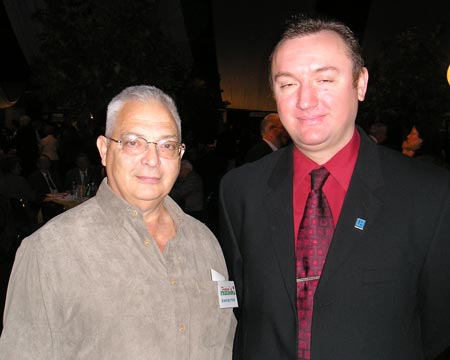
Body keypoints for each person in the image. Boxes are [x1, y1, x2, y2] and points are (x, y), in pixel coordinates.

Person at [219, 14, 450, 360]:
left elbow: (437, 329)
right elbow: (242, 308)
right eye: (288, 84)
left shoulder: (430, 196)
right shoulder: (239, 191)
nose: (306, 101)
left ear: (361, 83)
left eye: (325, 79)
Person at [0, 85, 236, 359]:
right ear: (103, 150)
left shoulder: (205, 243)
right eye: (133, 142)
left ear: (180, 156)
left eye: (167, 145)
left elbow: (225, 340)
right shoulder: (48, 252)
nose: (152, 159)